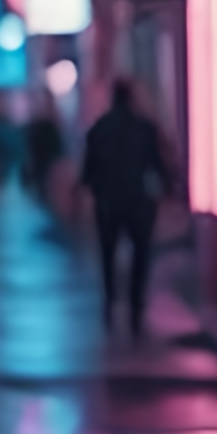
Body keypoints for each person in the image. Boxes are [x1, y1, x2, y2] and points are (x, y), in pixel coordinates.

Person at [80, 79, 168, 335]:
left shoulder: (99, 128)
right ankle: (136, 308)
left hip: (107, 200)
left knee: (107, 253)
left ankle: (109, 302)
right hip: (138, 200)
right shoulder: (145, 128)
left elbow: (88, 172)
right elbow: (157, 167)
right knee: (141, 254)